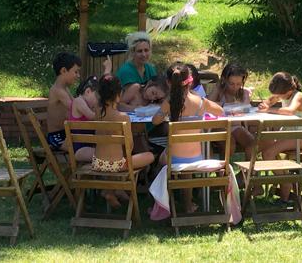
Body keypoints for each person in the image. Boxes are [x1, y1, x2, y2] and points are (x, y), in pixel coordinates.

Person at [152, 63, 224, 213]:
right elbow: (220, 111)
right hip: (196, 157)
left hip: (174, 158)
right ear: (190, 81)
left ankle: (161, 203)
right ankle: (187, 203)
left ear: (168, 82)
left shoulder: (170, 102)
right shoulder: (200, 101)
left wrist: (163, 113)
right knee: (186, 167)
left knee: (159, 162)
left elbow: (155, 121)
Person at [94, 74, 154, 208]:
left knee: (114, 157)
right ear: (119, 94)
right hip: (116, 165)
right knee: (149, 156)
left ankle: (111, 191)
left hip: (97, 162)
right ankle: (112, 191)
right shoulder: (122, 117)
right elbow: (130, 145)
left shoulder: (97, 112)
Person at [257, 71, 302, 202]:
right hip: (286, 134)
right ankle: (281, 177)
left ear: (289, 89)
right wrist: (265, 104)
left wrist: (269, 110)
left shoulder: (298, 96)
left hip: (297, 137)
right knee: (263, 144)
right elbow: (269, 100)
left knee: (268, 153)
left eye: (280, 95)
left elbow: (290, 111)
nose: (278, 97)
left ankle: (286, 183)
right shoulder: (284, 93)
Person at [208, 63, 255, 162]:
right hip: (219, 125)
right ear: (225, 80)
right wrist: (224, 104)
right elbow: (208, 104)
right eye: (231, 83)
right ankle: (223, 174)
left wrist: (246, 96)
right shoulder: (219, 90)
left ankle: (246, 174)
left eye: (238, 84)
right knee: (230, 143)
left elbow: (246, 109)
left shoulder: (243, 93)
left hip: (235, 126)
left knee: (251, 142)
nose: (235, 87)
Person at [69, 57, 112, 162]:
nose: (98, 101)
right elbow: (92, 117)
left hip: (91, 146)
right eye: (97, 97)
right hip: (80, 150)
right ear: (88, 91)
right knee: (110, 154)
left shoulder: (87, 104)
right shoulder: (78, 101)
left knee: (113, 151)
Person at [47, 52, 82, 151]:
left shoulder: (65, 89)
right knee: (82, 146)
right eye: (76, 72)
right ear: (63, 70)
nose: (78, 75)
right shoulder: (58, 91)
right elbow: (75, 110)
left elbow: (75, 105)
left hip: (66, 133)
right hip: (56, 137)